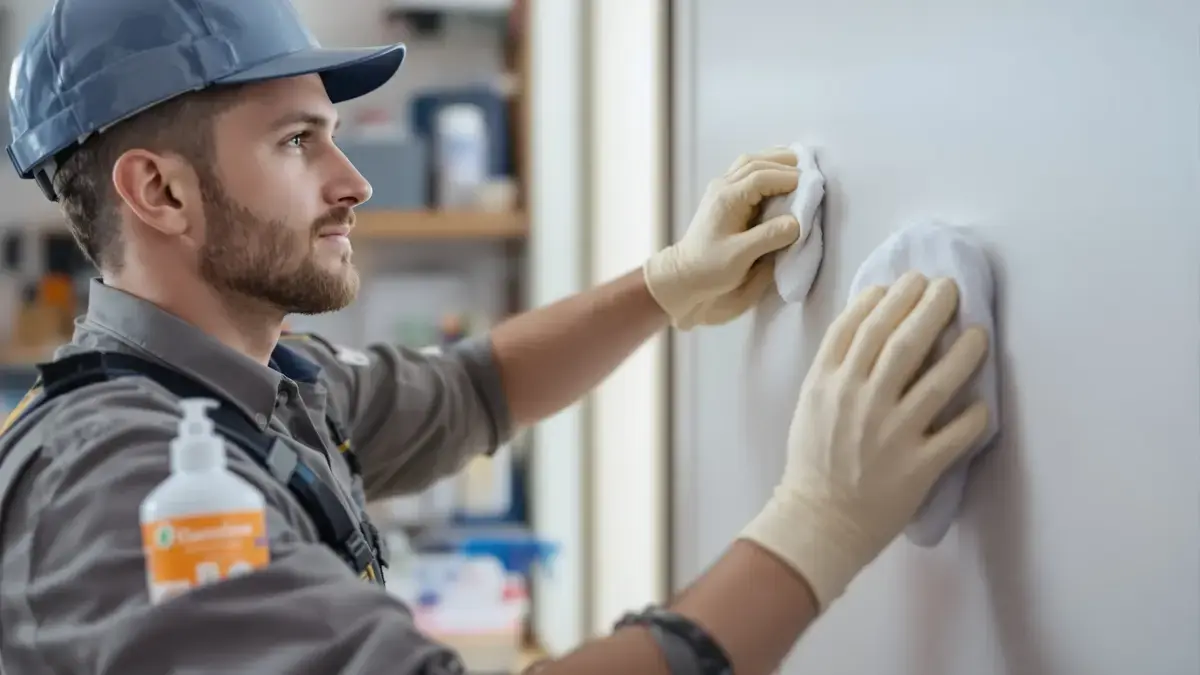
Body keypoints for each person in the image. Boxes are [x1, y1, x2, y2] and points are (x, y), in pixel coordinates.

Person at [0, 1, 990, 674]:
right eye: (297, 141)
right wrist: (816, 525)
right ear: (159, 191)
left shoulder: (257, 388)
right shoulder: (121, 483)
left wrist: (666, 286)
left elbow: (479, 387)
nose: (354, 182)